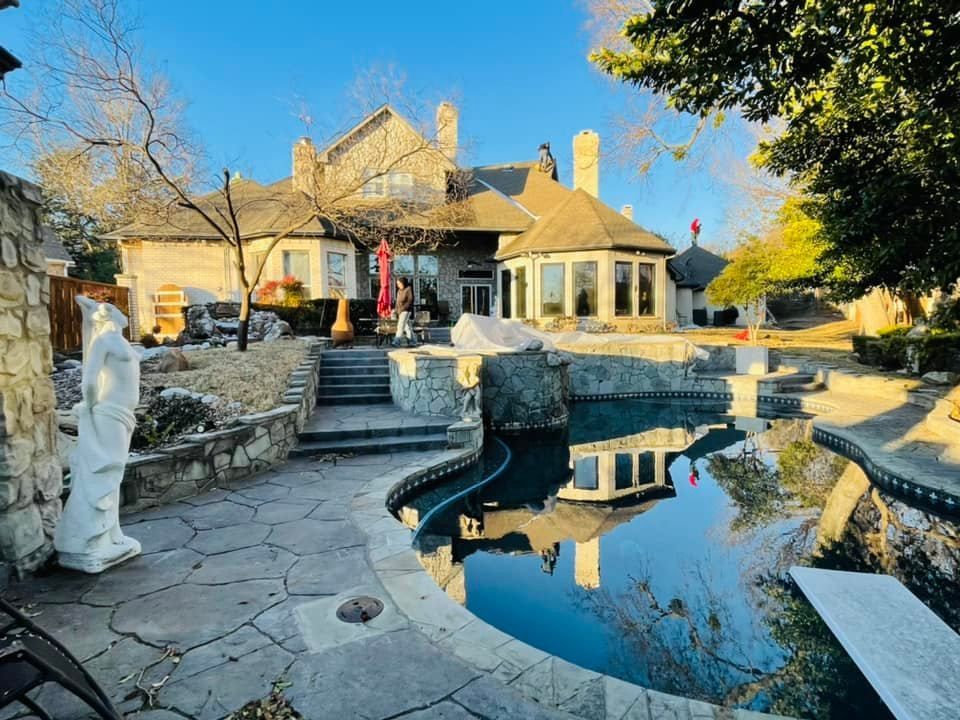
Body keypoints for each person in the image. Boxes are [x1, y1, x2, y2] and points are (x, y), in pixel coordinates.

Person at [393, 277, 416, 346]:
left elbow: (410, 300)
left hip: (406, 311)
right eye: (397, 284)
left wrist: (403, 308)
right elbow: (397, 302)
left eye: (399, 283)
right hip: (400, 311)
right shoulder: (399, 291)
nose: (398, 285)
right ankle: (412, 342)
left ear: (403, 283)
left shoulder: (408, 289)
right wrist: (396, 310)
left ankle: (396, 341)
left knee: (400, 326)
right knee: (407, 327)